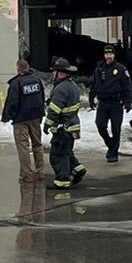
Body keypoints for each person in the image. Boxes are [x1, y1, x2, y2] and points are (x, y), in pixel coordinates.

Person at [1, 57, 48, 184]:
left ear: (18, 69)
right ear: (28, 68)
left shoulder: (16, 83)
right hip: (35, 117)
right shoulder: (37, 80)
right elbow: (42, 98)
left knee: (23, 147)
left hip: (21, 119)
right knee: (37, 144)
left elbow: (12, 103)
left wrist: (7, 116)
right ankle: (40, 172)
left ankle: (26, 175)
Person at [46, 58, 88, 190]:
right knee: (66, 151)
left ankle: (62, 181)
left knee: (58, 154)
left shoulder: (61, 88)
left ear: (60, 73)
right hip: (72, 126)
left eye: (54, 72)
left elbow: (54, 109)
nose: (53, 74)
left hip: (63, 127)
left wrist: (47, 124)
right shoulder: (72, 86)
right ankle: (77, 169)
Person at [89, 46, 132, 163]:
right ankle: (111, 144)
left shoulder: (121, 69)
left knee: (116, 129)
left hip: (116, 103)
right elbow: (94, 84)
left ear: (114, 55)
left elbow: (127, 86)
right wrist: (91, 96)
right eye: (106, 54)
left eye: (111, 54)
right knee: (100, 125)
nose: (108, 56)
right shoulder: (99, 68)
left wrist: (128, 101)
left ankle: (113, 153)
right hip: (103, 102)